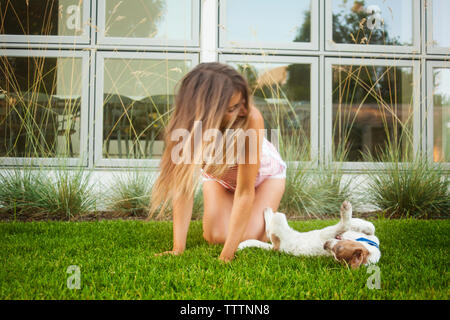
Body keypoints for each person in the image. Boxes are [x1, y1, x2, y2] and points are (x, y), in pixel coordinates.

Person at [150, 62, 287, 262]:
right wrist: (178, 248)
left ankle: (264, 215)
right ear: (207, 112)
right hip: (221, 178)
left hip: (264, 178)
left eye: (242, 103)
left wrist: (226, 256)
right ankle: (243, 215)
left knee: (248, 238)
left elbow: (245, 191)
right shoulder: (186, 129)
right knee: (214, 237)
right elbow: (183, 188)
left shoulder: (251, 118)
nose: (242, 112)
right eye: (232, 108)